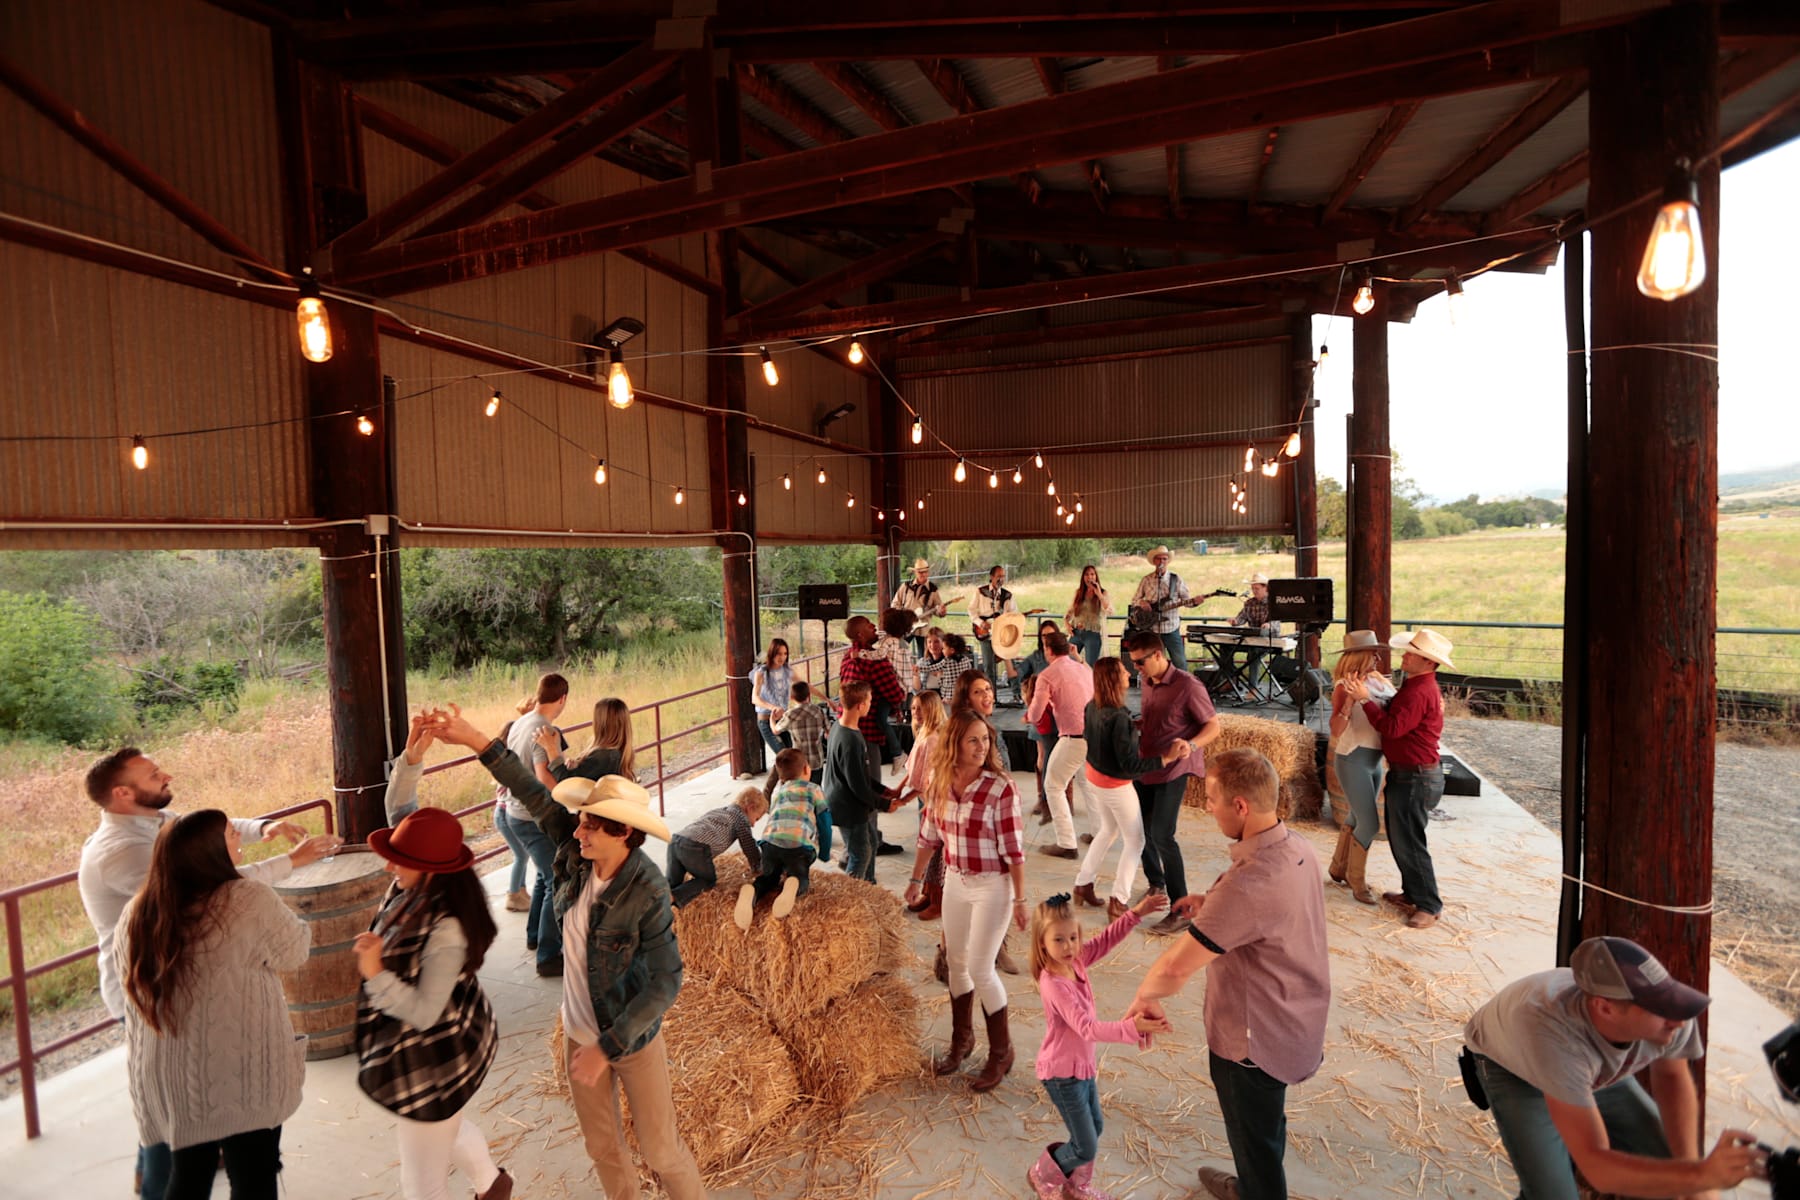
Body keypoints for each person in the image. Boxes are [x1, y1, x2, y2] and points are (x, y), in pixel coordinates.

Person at [430, 706, 707, 1200]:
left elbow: (666, 980)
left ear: (622, 832)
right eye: (578, 824)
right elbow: (531, 792)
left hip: (631, 1039)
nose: (577, 833)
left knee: (661, 1151)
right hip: (578, 1033)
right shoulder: (574, 852)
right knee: (603, 1149)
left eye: (589, 828)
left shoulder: (647, 889)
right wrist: (474, 739)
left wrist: (608, 1045)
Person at [78, 746, 336, 1200]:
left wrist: (263, 828)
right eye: (153, 773)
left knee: (188, 1137)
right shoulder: (120, 854)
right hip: (161, 1000)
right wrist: (292, 863)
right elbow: (224, 889)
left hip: (176, 1005)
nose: (166, 774)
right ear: (122, 792)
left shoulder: (160, 829)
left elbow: (213, 835)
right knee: (193, 1146)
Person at [1127, 749, 1331, 1200]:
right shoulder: (1296, 847)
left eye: (1213, 798)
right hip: (1292, 1018)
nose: (1206, 806)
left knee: (1251, 1135)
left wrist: (1144, 997)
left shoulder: (1248, 883)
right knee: (1264, 1124)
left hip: (1252, 1040)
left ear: (1240, 806)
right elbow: (1265, 915)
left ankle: (1256, 1190)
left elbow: (1176, 967)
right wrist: (1213, 904)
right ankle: (1250, 1183)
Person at [1463, 936, 1767, 1200]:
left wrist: (1693, 1170)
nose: (1678, 1020)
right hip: (1512, 1067)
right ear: (1605, 1007)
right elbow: (1598, 1167)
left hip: (1587, 1069)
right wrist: (1701, 1176)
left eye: (1671, 998)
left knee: (1667, 1160)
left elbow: (1673, 1077)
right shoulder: (1557, 1041)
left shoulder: (1670, 1015)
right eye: (1659, 1008)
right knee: (1553, 1194)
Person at [117, 810, 313, 1200]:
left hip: (170, 1074)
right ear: (209, 853)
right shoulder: (247, 897)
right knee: (254, 1178)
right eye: (230, 834)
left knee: (190, 1177)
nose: (238, 838)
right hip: (239, 1069)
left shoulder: (138, 910)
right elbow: (294, 952)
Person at [356, 780, 511, 1200]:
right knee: (449, 1127)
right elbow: (401, 814)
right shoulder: (417, 887)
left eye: (398, 861)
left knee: (421, 1185)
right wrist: (410, 759)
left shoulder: (447, 929)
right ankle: (493, 1186)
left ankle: (492, 1185)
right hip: (443, 1046)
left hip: (435, 1059)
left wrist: (376, 974)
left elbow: (424, 1013)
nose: (390, 867)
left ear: (430, 868)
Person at [904, 709, 1026, 1093]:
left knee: (980, 966)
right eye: (973, 739)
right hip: (955, 879)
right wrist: (915, 880)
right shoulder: (940, 783)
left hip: (994, 884)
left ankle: (1002, 1052)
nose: (981, 746)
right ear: (954, 743)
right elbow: (929, 837)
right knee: (956, 963)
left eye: (985, 740)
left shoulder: (1000, 788)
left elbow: (1015, 851)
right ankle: (962, 1040)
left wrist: (1021, 899)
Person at [1026, 890, 1171, 1200]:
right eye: (1059, 940)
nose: (1069, 947)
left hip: (1083, 1069)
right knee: (1084, 1145)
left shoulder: (1075, 962)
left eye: (1073, 938)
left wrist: (1136, 913)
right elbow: (1087, 1028)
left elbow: (1105, 940)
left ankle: (1077, 1188)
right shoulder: (1054, 984)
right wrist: (1131, 1028)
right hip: (1061, 1074)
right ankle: (1041, 1174)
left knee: (1095, 1128)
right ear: (1042, 944)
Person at [1344, 628, 1454, 930]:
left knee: (1410, 842)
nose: (1404, 655)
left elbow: (1392, 729)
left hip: (1415, 775)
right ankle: (1413, 894)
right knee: (1403, 838)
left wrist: (1366, 700)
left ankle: (1429, 905)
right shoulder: (1418, 686)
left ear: (1427, 662)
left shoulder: (1419, 691)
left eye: (1411, 654)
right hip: (1413, 772)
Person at [1121, 630, 1222, 935]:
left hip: (1174, 767)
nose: (1135, 667)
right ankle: (1156, 884)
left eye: (1140, 662)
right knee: (1138, 829)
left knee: (1163, 834)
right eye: (1132, 662)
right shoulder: (1147, 681)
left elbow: (1213, 726)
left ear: (1157, 655)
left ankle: (1181, 908)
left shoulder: (1188, 685)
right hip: (1148, 764)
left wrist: (1190, 745)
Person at [1076, 657, 1192, 918]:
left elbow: (1096, 740)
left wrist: (1131, 734)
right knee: (1136, 840)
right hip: (1116, 785)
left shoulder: (1091, 706)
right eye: (1122, 671)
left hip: (1095, 777)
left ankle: (1083, 883)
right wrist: (1167, 758)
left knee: (1107, 830)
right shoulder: (1119, 717)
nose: (1128, 673)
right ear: (1113, 680)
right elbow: (1130, 766)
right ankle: (1119, 899)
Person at [497, 673, 570, 976]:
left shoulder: (521, 722)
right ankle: (548, 956)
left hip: (515, 813)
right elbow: (544, 777)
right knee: (558, 880)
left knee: (543, 875)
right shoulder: (544, 728)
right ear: (563, 699)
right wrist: (569, 794)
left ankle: (534, 935)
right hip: (534, 816)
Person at [1326, 631, 1394, 905]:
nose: (1378, 657)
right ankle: (1358, 881)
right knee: (1370, 822)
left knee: (1356, 815)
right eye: (1373, 652)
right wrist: (1350, 703)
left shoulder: (1379, 681)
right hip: (1353, 757)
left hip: (1374, 759)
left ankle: (1338, 867)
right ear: (1359, 656)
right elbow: (1336, 730)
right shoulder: (1344, 686)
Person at [735, 748, 828, 930]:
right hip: (798, 846)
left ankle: (753, 891)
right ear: (807, 769)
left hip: (770, 843)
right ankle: (793, 884)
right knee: (799, 876)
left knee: (769, 878)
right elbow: (825, 822)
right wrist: (824, 851)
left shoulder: (779, 791)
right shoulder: (815, 790)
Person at [1025, 629, 1098, 861]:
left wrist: (1029, 713)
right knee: (1087, 783)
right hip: (1093, 732)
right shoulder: (1083, 668)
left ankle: (1066, 843)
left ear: (1048, 650)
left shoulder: (1047, 675)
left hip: (1073, 736)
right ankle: (1097, 833)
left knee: (1053, 785)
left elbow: (1036, 712)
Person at [823, 680, 898, 882]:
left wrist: (882, 789)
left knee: (871, 842)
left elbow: (859, 773)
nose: (872, 704)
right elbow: (857, 786)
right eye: (870, 700)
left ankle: (868, 885)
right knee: (859, 854)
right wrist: (884, 804)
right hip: (848, 806)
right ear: (860, 705)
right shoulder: (850, 740)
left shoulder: (840, 727)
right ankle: (854, 893)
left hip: (846, 801)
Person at [662, 786, 765, 908]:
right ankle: (673, 896)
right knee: (707, 880)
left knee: (672, 883)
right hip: (695, 847)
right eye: (756, 819)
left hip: (676, 840)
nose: (753, 825)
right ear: (750, 808)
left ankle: (659, 901)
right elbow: (749, 845)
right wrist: (758, 866)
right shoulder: (741, 819)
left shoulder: (721, 811)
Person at [896, 690, 948, 920]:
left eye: (920, 708)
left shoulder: (934, 738)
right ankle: (928, 892)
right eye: (913, 707)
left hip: (936, 800)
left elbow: (927, 779)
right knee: (928, 846)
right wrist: (899, 788)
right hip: (925, 799)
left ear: (933, 709)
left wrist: (902, 799)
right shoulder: (923, 732)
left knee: (936, 851)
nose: (915, 712)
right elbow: (913, 767)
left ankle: (939, 900)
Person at [1127, 546, 1207, 673]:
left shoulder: (1176, 579)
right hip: (1151, 628)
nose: (1162, 561)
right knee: (1151, 664)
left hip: (1171, 628)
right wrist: (1141, 602)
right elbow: (1134, 600)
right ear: (1154, 561)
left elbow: (1187, 601)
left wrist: (1196, 602)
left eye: (1164, 559)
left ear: (1168, 561)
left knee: (1180, 662)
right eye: (1158, 559)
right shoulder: (1146, 580)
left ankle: (1183, 688)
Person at [547, 696, 637, 784]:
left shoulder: (603, 756)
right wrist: (579, 765)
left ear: (601, 724)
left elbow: (565, 781)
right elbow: (594, 773)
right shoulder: (620, 752)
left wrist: (551, 750)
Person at [968, 564, 1021, 703]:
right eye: (999, 576)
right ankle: (991, 698)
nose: (1001, 579)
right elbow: (972, 610)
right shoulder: (980, 592)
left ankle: (1017, 695)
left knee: (1010, 661)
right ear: (991, 577)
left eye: (1003, 577)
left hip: (1002, 634)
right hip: (985, 633)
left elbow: (1013, 613)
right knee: (989, 666)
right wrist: (981, 623)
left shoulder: (1007, 596)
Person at [771, 679, 830, 786]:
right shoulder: (818, 710)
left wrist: (772, 719)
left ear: (791, 698)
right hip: (817, 759)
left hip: (799, 762)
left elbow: (775, 730)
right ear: (808, 695)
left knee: (800, 791)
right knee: (816, 789)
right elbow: (828, 732)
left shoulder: (790, 715)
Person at [893, 556, 948, 656]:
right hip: (906, 626)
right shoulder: (905, 587)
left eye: (925, 571)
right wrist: (903, 616)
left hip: (924, 628)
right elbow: (895, 604)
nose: (923, 574)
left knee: (924, 657)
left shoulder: (933, 589)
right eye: (920, 572)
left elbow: (937, 609)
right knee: (899, 652)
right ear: (915, 573)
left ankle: (923, 671)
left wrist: (941, 612)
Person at [749, 639, 793, 757]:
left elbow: (804, 685)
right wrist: (773, 707)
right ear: (772, 653)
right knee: (785, 756)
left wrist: (827, 700)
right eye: (779, 653)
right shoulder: (762, 672)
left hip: (783, 719)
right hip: (766, 720)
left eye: (785, 654)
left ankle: (778, 775)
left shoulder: (786, 670)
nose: (782, 657)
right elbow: (754, 698)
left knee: (788, 756)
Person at [1064, 564, 1112, 667]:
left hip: (1092, 634)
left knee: (1090, 667)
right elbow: (1069, 612)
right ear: (1083, 577)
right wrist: (1067, 624)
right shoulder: (1079, 592)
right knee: (1069, 663)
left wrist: (1098, 594)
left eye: (1092, 574)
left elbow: (1108, 609)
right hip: (1076, 633)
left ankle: (1090, 683)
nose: (1090, 577)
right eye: (1086, 574)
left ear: (1096, 577)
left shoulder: (1103, 592)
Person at [922, 631, 979, 706]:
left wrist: (920, 668)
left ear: (952, 650)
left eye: (944, 649)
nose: (942, 651)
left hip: (949, 695)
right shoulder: (965, 659)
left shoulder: (946, 661)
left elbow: (933, 667)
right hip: (962, 693)